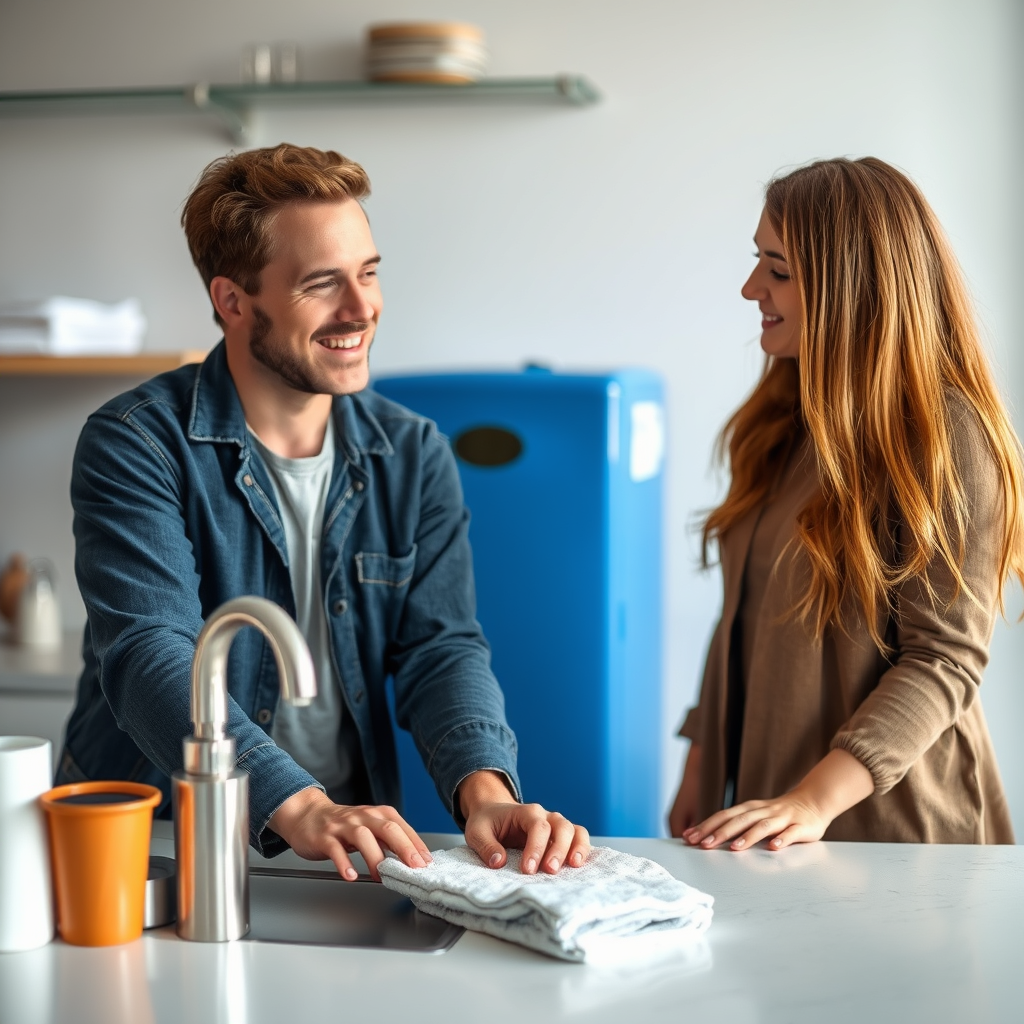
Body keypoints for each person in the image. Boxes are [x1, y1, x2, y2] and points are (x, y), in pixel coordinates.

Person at [57, 143, 590, 881]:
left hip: (342, 845)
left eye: (369, 273)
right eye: (322, 284)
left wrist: (484, 789)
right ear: (233, 301)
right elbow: (151, 654)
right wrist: (296, 802)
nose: (361, 308)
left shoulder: (412, 452)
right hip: (155, 846)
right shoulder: (137, 443)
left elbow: (442, 649)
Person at [669, 157, 1022, 850]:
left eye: (777, 270)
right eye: (757, 262)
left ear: (849, 287)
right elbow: (744, 612)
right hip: (775, 820)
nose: (750, 288)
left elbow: (943, 661)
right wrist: (702, 761)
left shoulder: (948, 436)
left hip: (898, 837)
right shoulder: (783, 419)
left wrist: (811, 802)